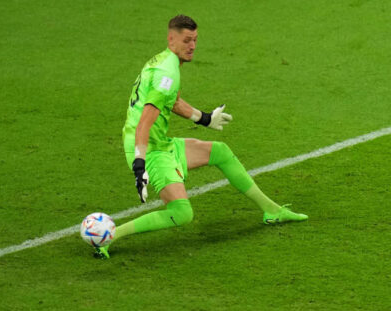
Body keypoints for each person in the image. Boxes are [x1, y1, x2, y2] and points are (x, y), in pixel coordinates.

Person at [93, 15, 307, 258]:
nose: (192, 46)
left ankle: (272, 210)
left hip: (158, 143)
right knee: (182, 213)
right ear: (171, 39)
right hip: (149, 149)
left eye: (195, 40)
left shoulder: (163, 61)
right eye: (187, 40)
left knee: (221, 152)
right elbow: (145, 121)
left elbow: (170, 101)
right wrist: (139, 164)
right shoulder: (168, 73)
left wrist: (203, 118)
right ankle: (108, 237)